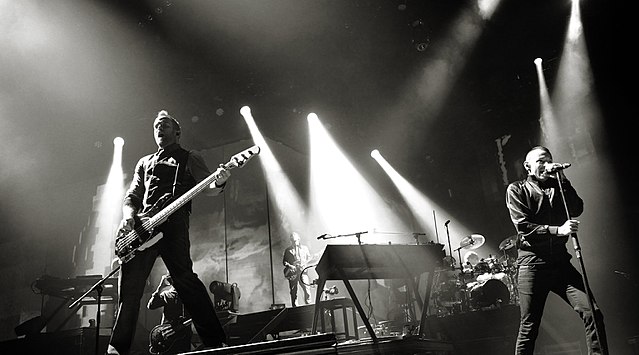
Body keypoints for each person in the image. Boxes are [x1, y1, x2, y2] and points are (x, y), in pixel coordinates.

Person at [107, 110, 230, 355]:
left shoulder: (189, 157)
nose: (159, 130)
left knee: (186, 281)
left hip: (174, 225)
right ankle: (116, 348)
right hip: (142, 229)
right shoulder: (144, 162)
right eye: (155, 126)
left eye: (164, 125)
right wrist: (128, 218)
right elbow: (132, 196)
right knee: (130, 291)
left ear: (177, 132)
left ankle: (216, 343)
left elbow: (208, 187)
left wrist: (220, 180)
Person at [505, 146, 607, 355]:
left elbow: (577, 207)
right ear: (528, 166)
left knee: (593, 314)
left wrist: (563, 180)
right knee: (529, 326)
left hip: (560, 263)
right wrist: (558, 230)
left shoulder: (558, 185)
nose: (546, 164)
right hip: (532, 264)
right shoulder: (517, 190)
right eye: (541, 161)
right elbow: (523, 227)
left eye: (549, 160)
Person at [147, 274, 192, 354]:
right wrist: (160, 287)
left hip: (183, 337)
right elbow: (151, 305)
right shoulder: (167, 294)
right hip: (166, 336)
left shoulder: (190, 295)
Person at [282, 232, 312, 307]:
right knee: (293, 291)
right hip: (293, 273)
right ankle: (295, 307)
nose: (294, 242)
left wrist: (305, 263)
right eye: (292, 241)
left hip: (303, 272)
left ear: (299, 239)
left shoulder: (305, 248)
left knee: (307, 288)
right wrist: (290, 266)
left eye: (295, 241)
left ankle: (309, 305)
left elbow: (310, 259)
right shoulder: (288, 250)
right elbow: (284, 262)